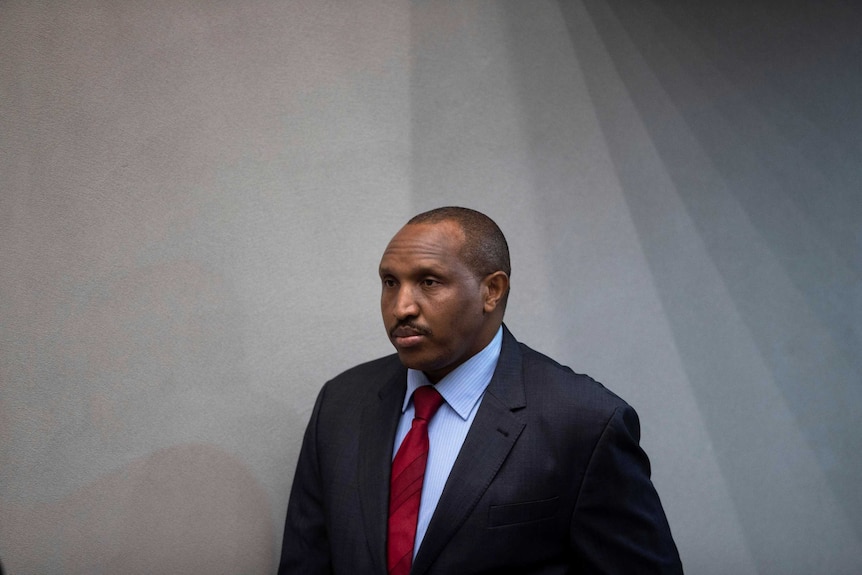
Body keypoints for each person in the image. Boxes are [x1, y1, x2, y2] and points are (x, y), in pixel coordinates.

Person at [278, 207, 682, 574]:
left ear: (492, 290)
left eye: (429, 281)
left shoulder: (583, 422)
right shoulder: (341, 403)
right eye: (389, 282)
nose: (401, 306)